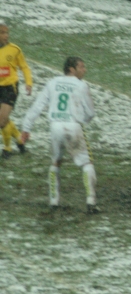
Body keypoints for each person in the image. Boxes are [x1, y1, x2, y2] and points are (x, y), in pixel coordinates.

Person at [21, 57, 98, 213]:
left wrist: (26, 128)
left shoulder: (52, 83)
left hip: (55, 126)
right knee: (86, 163)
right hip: (73, 126)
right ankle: (91, 201)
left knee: (56, 162)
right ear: (71, 69)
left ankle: (53, 201)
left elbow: (37, 106)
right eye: (81, 67)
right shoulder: (81, 85)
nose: (85, 70)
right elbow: (90, 112)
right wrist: (83, 119)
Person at [0, 22, 32, 159]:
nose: (5, 35)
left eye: (6, 32)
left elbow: (24, 67)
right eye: (2, 32)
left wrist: (29, 83)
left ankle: (7, 148)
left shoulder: (14, 50)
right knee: (4, 119)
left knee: (1, 120)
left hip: (10, 88)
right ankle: (19, 140)